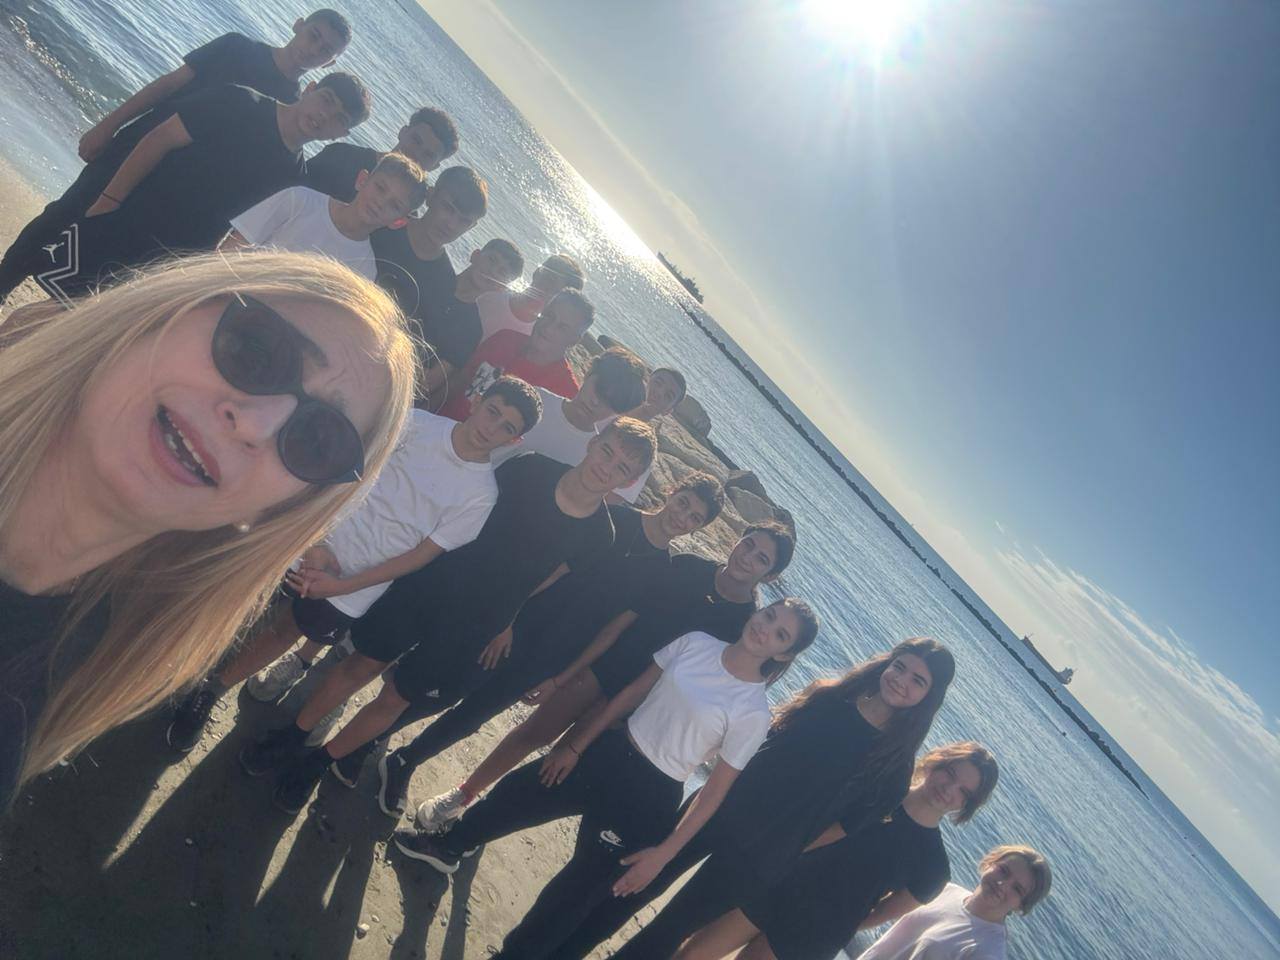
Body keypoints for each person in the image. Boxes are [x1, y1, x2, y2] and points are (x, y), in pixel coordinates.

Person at [0, 250, 416, 808]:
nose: (255, 425)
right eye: (256, 349)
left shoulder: (75, 675)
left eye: (317, 440)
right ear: (165, 310)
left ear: (280, 508)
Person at [238, 419, 658, 814]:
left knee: (397, 697)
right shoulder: (531, 468)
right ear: (593, 443)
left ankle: (316, 765)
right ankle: (293, 736)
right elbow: (466, 510)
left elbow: (545, 581)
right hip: (431, 583)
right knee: (360, 664)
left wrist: (506, 621)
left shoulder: (601, 536)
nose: (607, 467)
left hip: (478, 623)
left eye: (622, 467)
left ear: (628, 482)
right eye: (608, 451)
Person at [392, 600, 821, 960]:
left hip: (650, 797)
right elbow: (631, 694)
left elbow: (713, 793)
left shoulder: (753, 713)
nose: (765, 630)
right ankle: (448, 846)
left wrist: (663, 855)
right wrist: (577, 745)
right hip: (610, 751)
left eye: (780, 635)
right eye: (769, 616)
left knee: (570, 895)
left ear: (784, 655)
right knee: (516, 795)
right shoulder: (696, 643)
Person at [163, 376, 542, 753]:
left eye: (506, 427)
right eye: (492, 411)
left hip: (352, 584)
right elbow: (344, 472)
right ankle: (176, 668)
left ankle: (210, 693)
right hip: (309, 536)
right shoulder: (415, 423)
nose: (491, 428)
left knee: (284, 631)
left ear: (515, 441)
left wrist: (342, 586)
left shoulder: (481, 495)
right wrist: (315, 540)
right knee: (236, 602)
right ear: (476, 400)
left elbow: (421, 555)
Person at [560, 636, 959, 960]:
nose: (901, 681)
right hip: (715, 809)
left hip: (758, 861)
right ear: (888, 662)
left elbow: (837, 832)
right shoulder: (829, 698)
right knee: (630, 886)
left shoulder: (894, 771)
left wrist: (785, 855)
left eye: (918, 681)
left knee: (669, 931)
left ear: (929, 697)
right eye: (900, 666)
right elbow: (757, 744)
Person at [356, 471, 725, 817]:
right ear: (672, 492)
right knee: (445, 688)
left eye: (694, 518)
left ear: (698, 528)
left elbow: (612, 631)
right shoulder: (612, 518)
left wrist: (561, 678)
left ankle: (406, 761)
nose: (682, 517)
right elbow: (549, 568)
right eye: (683, 503)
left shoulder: (662, 573)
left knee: (475, 716)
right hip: (519, 622)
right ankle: (371, 736)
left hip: (553, 653)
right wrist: (507, 620)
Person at [412, 521, 794, 834]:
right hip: (604, 670)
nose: (748, 557)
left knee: (558, 766)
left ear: (771, 574)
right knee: (532, 733)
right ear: (739, 538)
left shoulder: (747, 624)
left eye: (761, 558)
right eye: (749, 544)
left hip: (640, 708)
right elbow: (622, 620)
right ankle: (463, 795)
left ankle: (483, 823)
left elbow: (721, 689)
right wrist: (569, 673)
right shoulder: (687, 567)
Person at [0, 9, 353, 304]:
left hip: (164, 196)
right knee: (61, 217)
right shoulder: (238, 48)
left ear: (330, 62)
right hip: (136, 148)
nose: (314, 50)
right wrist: (108, 124)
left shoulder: (296, 110)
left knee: (96, 262)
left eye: (325, 50)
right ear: (298, 25)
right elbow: (168, 84)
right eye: (314, 36)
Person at [32, 73, 372, 302]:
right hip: (127, 218)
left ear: (340, 134)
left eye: (340, 119)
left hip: (170, 263)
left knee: (86, 332)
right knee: (51, 305)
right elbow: (159, 139)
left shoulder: (294, 179)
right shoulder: (241, 101)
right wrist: (109, 199)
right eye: (327, 100)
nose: (326, 116)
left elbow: (239, 236)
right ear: (309, 89)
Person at [676, 742, 1000, 960]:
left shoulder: (933, 867)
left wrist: (826, 920)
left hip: (815, 933)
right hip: (774, 887)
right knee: (692, 954)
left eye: (963, 792)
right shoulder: (881, 789)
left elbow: (874, 916)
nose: (949, 789)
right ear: (938, 762)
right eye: (950, 773)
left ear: (966, 805)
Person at [219, 153, 428, 279]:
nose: (380, 202)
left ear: (398, 221)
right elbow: (230, 249)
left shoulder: (364, 270)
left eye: (394, 205)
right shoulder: (299, 200)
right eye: (380, 188)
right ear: (362, 180)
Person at [368, 166, 488, 382]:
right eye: (448, 208)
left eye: (463, 221)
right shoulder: (382, 225)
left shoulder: (445, 285)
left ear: (471, 227)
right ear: (431, 196)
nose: (451, 224)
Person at [856, 845, 1052, 960]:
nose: (1003, 884)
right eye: (1003, 870)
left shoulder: (987, 951)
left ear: (1021, 905)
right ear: (990, 863)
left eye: (1017, 889)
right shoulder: (947, 891)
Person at [438, 289, 594, 419]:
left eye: (562, 327)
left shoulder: (565, 393)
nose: (548, 327)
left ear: (574, 340)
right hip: (440, 426)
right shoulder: (506, 338)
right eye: (549, 316)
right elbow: (458, 381)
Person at [489, 347, 648, 468]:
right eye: (599, 389)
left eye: (610, 403)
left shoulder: (593, 452)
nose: (596, 403)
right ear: (589, 373)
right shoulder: (535, 400)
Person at [415, 239, 525, 409]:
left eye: (502, 272)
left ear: (502, 287)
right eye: (492, 260)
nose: (492, 271)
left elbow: (427, 384)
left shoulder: (471, 331)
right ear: (475, 255)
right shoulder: (428, 274)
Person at [306, 106, 460, 200]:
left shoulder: (405, 212)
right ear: (403, 132)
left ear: (434, 167)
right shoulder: (342, 156)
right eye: (416, 140)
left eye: (428, 155)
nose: (416, 154)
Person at [608, 366, 688, 505]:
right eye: (658, 383)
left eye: (668, 396)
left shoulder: (645, 452)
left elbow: (615, 498)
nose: (659, 393)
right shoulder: (607, 404)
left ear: (668, 411)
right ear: (646, 379)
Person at [476, 253, 586, 341]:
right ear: (536, 272)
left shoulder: (534, 339)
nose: (545, 286)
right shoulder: (490, 293)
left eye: (552, 283)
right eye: (546, 276)